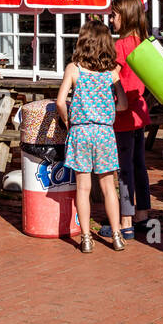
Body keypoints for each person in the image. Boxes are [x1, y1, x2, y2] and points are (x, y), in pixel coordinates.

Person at [56, 19, 128, 254]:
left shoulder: (73, 69)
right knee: (109, 187)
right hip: (104, 132)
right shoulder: (111, 73)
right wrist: (105, 111)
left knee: (83, 188)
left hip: (81, 131)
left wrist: (69, 121)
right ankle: (117, 235)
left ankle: (86, 238)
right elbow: (123, 104)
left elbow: (59, 101)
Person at [102, 0, 152, 242]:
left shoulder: (120, 46)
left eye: (114, 15)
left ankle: (125, 220)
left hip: (122, 115)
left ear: (126, 16)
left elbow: (113, 78)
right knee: (139, 164)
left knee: (123, 169)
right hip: (140, 113)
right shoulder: (144, 42)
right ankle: (142, 214)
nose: (111, 20)